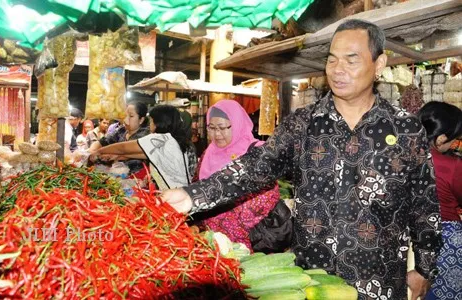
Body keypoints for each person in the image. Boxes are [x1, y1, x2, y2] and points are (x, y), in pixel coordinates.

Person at [162, 19, 441, 300]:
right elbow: (255, 166)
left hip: (378, 279)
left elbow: (423, 203)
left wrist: (425, 268)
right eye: (331, 60)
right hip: (312, 281)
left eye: (351, 60)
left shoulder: (406, 129)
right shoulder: (302, 124)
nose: (337, 70)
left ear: (379, 65)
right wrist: (193, 196)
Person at [192, 100, 280, 251]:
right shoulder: (208, 153)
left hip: (248, 239)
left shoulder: (257, 152)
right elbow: (197, 186)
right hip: (212, 241)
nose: (217, 134)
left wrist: (228, 221)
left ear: (238, 123)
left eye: (222, 128)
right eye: (211, 128)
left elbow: (269, 194)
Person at [90, 105, 196, 190]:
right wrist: (115, 156)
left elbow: (123, 148)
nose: (149, 124)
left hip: (174, 197)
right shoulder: (172, 141)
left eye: (151, 120)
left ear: (158, 122)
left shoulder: (160, 139)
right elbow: (135, 154)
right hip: (180, 193)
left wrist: (98, 151)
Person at [417, 101, 462, 300]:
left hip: (414, 234)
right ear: (441, 138)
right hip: (448, 237)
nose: (455, 143)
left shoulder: (400, 157)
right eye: (455, 138)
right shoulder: (452, 165)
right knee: (448, 292)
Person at [89, 101, 149, 176]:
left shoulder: (145, 134)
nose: (126, 120)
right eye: (125, 115)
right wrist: (91, 152)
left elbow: (123, 148)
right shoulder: (122, 130)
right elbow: (103, 141)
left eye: (131, 116)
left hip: (137, 179)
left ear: (141, 120)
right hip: (117, 176)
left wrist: (99, 152)